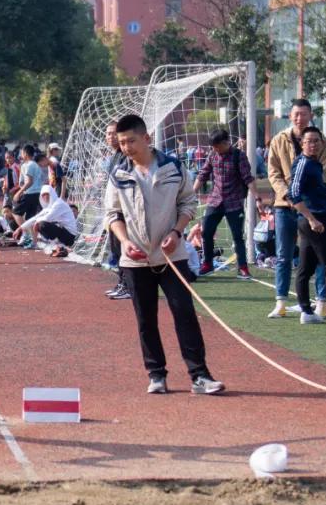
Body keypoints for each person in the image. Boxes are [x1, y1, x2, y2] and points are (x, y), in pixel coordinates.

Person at [104, 114, 224, 395]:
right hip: (135, 260)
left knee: (184, 313)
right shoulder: (118, 174)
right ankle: (156, 374)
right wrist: (124, 241)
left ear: (146, 138)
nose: (126, 147)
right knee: (146, 319)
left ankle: (200, 375)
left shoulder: (174, 167)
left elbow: (188, 203)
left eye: (131, 141)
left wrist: (177, 232)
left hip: (173, 256)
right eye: (122, 143)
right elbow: (112, 214)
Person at [267, 98, 326, 319]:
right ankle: (281, 302)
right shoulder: (279, 140)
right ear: (290, 116)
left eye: (304, 114)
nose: (299, 118)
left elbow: (323, 172)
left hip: (313, 207)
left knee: (320, 255)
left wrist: (306, 197)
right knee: (283, 255)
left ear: (310, 115)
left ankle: (322, 301)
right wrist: (288, 194)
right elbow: (273, 172)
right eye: (296, 114)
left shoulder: (321, 141)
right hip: (284, 205)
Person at [287, 127, 326, 325]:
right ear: (302, 143)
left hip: (318, 217)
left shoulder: (314, 163)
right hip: (315, 221)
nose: (313, 144)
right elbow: (293, 193)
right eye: (309, 141)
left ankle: (306, 312)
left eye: (316, 141)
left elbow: (310, 190)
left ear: (322, 143)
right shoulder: (302, 163)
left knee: (306, 267)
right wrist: (312, 219)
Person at [193, 129, 257, 279]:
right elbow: (203, 174)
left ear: (225, 143)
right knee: (206, 232)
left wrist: (257, 198)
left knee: (237, 236)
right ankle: (207, 264)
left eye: (217, 146)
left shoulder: (239, 156)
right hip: (215, 200)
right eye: (213, 147)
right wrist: (192, 192)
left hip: (234, 202)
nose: (215, 149)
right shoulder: (212, 155)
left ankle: (243, 267)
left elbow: (248, 178)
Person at [102, 122, 130, 300]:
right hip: (114, 211)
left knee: (123, 249)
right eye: (108, 133)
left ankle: (128, 285)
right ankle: (122, 282)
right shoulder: (114, 157)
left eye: (113, 133)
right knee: (116, 249)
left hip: (124, 211)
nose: (110, 137)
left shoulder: (126, 156)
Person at [12, 185, 78, 258]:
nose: (45, 197)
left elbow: (47, 217)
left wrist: (36, 223)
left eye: (47, 194)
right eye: (43, 195)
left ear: (52, 194)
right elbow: (35, 218)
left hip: (69, 236)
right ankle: (58, 246)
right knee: (40, 224)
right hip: (63, 233)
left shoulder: (58, 204)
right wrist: (20, 228)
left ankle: (62, 247)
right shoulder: (48, 207)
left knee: (42, 225)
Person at [11, 144, 45, 247]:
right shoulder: (27, 165)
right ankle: (34, 242)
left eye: (21, 152)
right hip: (35, 193)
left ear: (25, 153)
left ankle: (25, 233)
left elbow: (29, 182)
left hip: (31, 193)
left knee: (16, 212)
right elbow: (24, 181)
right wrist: (19, 188)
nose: (20, 154)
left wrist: (19, 192)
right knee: (31, 218)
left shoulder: (30, 165)